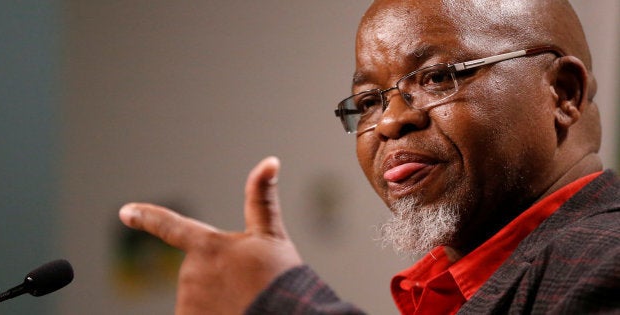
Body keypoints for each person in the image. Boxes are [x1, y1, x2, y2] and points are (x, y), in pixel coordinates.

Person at [119, 0, 620, 314]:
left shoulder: (607, 261)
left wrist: (285, 304)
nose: (388, 121)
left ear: (562, 93)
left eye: (437, 77)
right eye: (367, 102)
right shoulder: (447, 288)